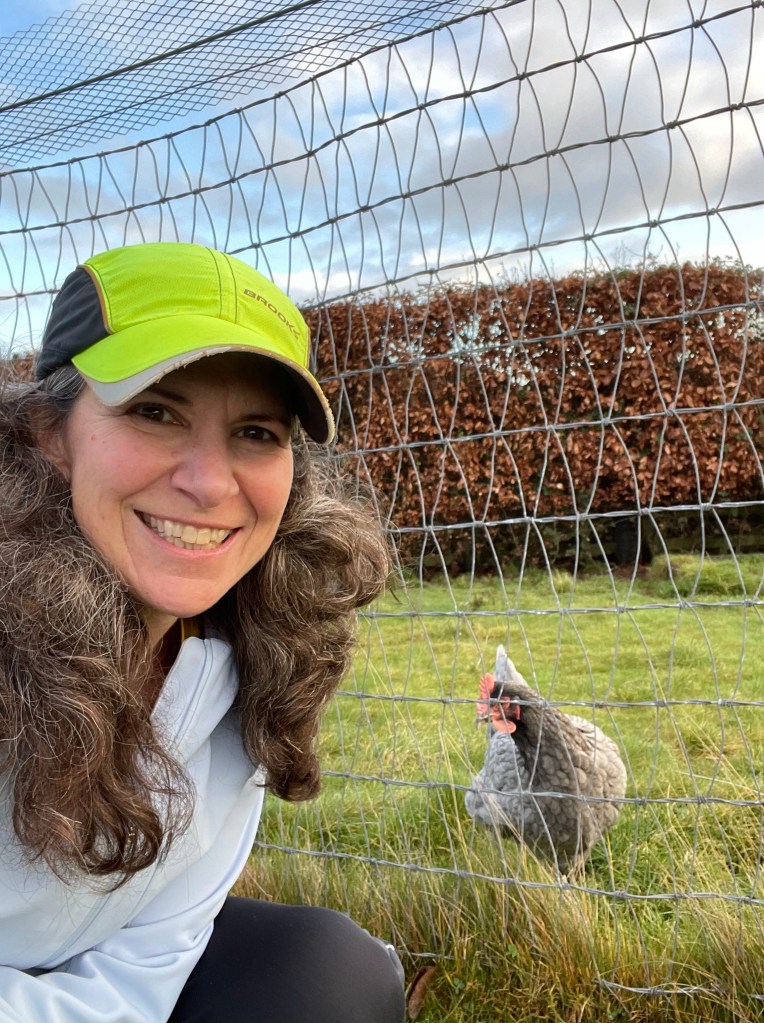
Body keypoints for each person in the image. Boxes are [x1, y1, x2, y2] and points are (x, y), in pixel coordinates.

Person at [0, 242, 405, 1022]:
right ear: (50, 434)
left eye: (256, 433)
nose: (209, 482)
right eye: (155, 412)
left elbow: (142, 976)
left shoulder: (243, 661)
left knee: (331, 976)